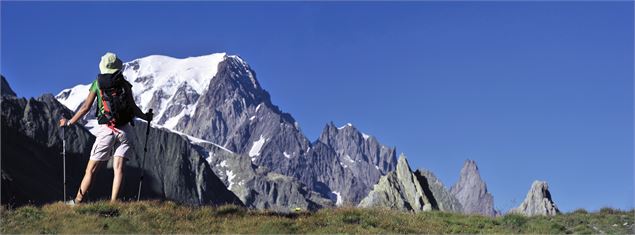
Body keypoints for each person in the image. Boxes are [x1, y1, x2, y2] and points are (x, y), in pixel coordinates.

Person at [59, 52, 152, 205]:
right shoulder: (124, 84)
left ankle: (77, 202)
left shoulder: (97, 83)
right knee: (119, 169)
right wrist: (146, 117)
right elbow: (134, 108)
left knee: (91, 170)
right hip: (125, 131)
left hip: (107, 130)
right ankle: (114, 203)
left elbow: (85, 108)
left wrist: (69, 123)